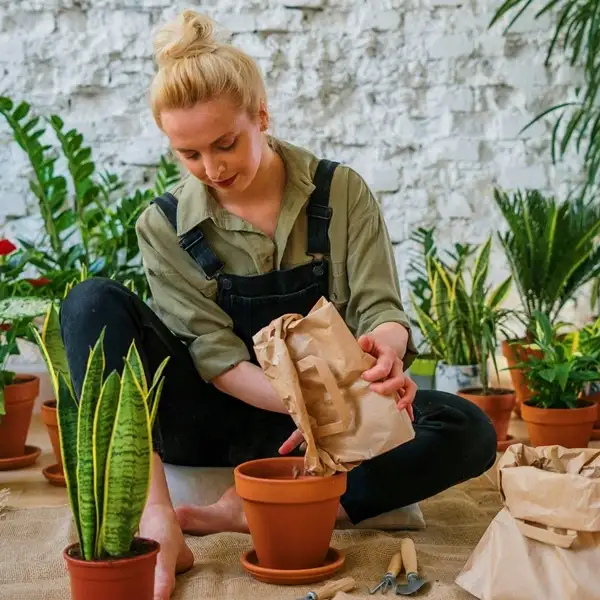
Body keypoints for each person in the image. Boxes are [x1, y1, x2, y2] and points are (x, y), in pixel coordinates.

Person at [59, 9, 497, 600]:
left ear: (260, 114)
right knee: (89, 302)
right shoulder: (162, 226)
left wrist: (385, 357)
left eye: (225, 143)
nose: (212, 169)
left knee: (467, 427)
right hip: (214, 416)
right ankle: (156, 518)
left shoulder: (340, 191)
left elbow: (382, 310)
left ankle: (240, 511)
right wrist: (301, 403)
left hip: (331, 427)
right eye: (188, 154)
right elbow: (213, 358)